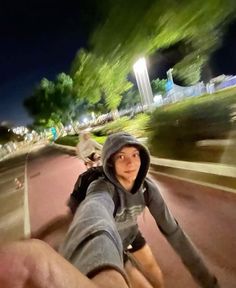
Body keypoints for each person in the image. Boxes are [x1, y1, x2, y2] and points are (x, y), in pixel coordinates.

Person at [0, 132, 219, 288]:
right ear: (111, 163)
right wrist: (103, 272)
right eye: (121, 157)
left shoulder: (147, 189)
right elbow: (94, 213)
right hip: (109, 240)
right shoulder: (101, 187)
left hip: (131, 234)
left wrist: (206, 279)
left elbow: (173, 231)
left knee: (153, 269)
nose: (131, 163)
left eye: (135, 155)